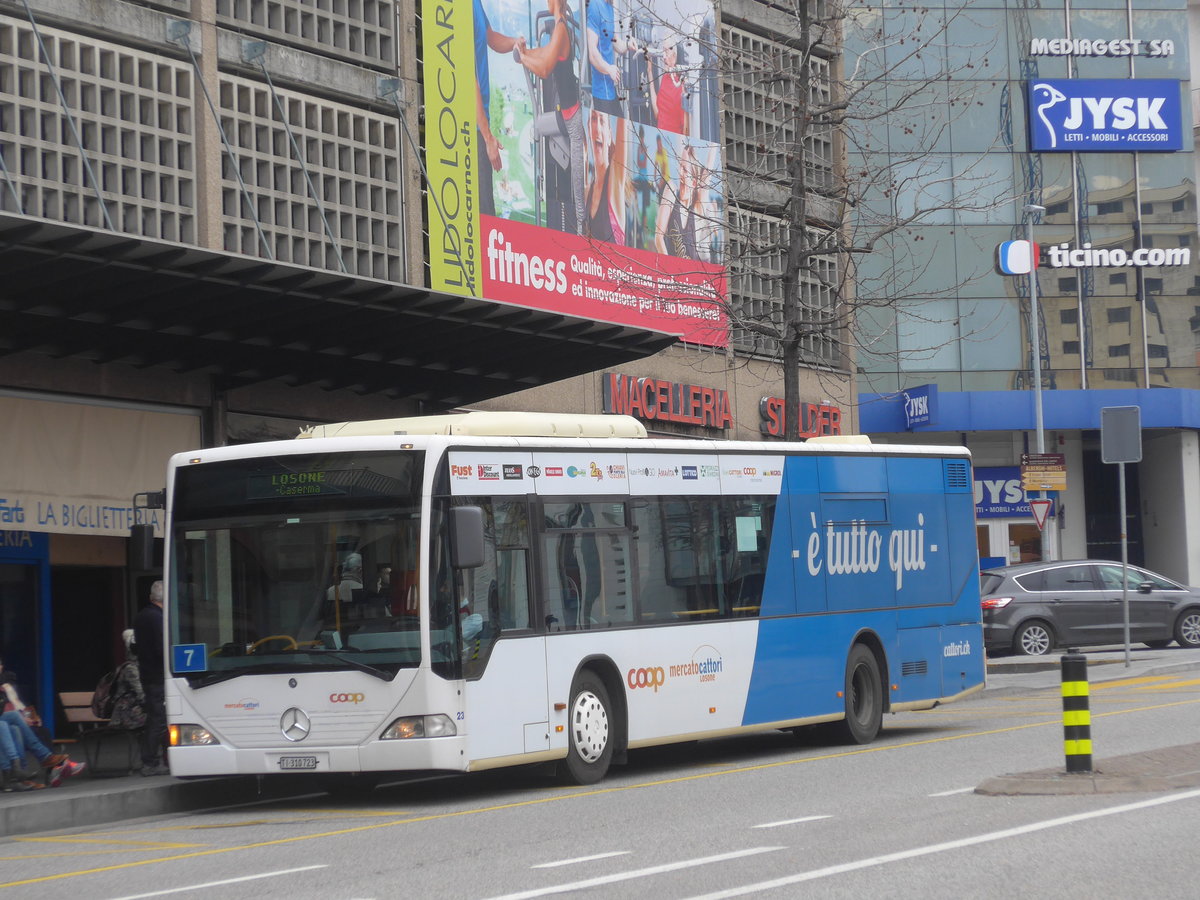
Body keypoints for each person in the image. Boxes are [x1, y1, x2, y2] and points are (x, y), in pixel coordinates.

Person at [516, 0, 585, 235]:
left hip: (574, 119)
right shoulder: (559, 29)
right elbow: (544, 53)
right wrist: (525, 52)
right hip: (565, 116)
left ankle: (582, 230)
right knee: (539, 126)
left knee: (578, 185)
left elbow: (545, 69)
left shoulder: (561, 29)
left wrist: (523, 58)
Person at [0, 655, 85, 789]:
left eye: (0, 664)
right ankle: (49, 763)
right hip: (9, 723)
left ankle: (44, 764)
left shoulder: (6, 686)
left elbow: (19, 706)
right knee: (11, 725)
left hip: (16, 721)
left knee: (31, 728)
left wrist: (29, 717)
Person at [475, 0, 521, 217]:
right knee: (482, 216)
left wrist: (514, 43)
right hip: (470, 128)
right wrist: (487, 137)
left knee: (486, 211)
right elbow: (466, 76)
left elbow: (489, 36)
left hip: (479, 125)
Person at [133, 580, 169, 776]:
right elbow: (161, 648)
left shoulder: (141, 616)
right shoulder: (159, 618)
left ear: (151, 597)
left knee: (156, 717)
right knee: (159, 719)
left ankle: (157, 759)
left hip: (147, 673)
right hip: (158, 675)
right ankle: (150, 762)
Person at [584, 110, 629, 245]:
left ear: (609, 137)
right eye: (593, 119)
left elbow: (623, 114)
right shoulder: (587, 191)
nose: (597, 128)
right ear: (589, 129)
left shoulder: (615, 181)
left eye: (602, 121)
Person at [586, 0, 635, 116]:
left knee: (621, 126)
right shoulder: (594, 6)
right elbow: (592, 53)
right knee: (614, 127)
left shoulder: (609, 7)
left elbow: (614, 41)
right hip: (602, 93)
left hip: (611, 90)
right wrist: (609, 69)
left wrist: (628, 45)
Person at [645, 33, 687, 135]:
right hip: (661, 136)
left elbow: (686, 130)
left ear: (675, 55)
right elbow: (658, 115)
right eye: (663, 51)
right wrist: (649, 72)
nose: (663, 57)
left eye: (666, 51)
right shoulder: (666, 77)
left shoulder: (682, 85)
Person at [109, 629, 146, 731]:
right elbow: (141, 693)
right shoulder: (130, 669)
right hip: (128, 713)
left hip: (134, 710)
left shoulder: (138, 666)